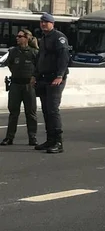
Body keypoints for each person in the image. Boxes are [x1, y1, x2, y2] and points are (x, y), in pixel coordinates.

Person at [33, 13, 70, 154]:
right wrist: (34, 76)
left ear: (52, 23)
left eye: (46, 22)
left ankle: (58, 142)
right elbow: (40, 59)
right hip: (43, 78)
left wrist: (60, 75)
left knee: (53, 110)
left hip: (55, 79)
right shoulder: (43, 39)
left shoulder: (58, 37)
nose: (43, 24)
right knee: (46, 110)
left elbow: (64, 58)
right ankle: (50, 140)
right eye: (41, 22)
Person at [0, 30, 39, 146]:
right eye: (17, 36)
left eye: (20, 36)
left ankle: (32, 137)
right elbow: (10, 64)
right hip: (15, 85)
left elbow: (39, 67)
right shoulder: (13, 52)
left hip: (29, 85)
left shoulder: (34, 52)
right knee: (13, 112)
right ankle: (9, 137)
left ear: (27, 38)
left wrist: (33, 77)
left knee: (31, 113)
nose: (17, 38)